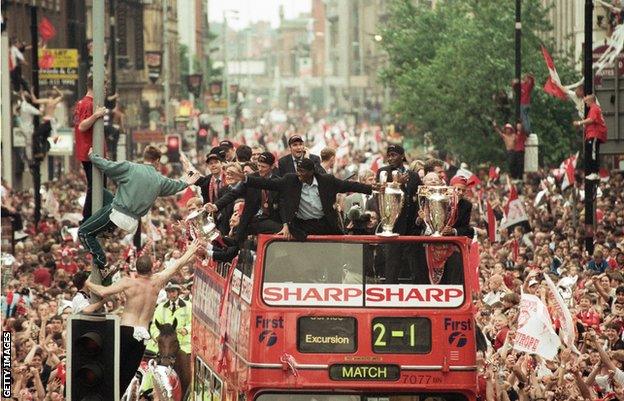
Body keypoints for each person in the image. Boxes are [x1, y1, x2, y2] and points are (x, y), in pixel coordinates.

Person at [85, 239, 201, 396]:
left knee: (114, 370)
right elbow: (177, 265)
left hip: (126, 330)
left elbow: (102, 292)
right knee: (127, 375)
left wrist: (86, 283)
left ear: (136, 269)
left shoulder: (128, 283)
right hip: (143, 334)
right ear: (152, 268)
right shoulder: (157, 281)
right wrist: (192, 249)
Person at [78, 146, 200, 280]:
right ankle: (106, 230)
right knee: (98, 191)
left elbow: (107, 167)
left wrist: (93, 157)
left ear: (145, 157)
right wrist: (187, 182)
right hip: (132, 220)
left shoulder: (131, 168)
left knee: (83, 232)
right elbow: (175, 185)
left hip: (117, 213)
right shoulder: (160, 180)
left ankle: (103, 265)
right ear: (157, 161)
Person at [231, 158, 377, 241]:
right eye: (298, 170)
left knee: (334, 248)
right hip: (301, 225)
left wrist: (372, 189)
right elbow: (267, 183)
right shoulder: (290, 180)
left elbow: (348, 185)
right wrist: (245, 178)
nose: (299, 174)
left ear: (311, 172)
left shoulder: (327, 181)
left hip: (324, 223)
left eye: (302, 171)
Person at [205, 152, 282, 243]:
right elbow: (234, 193)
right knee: (236, 241)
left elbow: (284, 206)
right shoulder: (250, 178)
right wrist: (215, 206)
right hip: (251, 220)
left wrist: (286, 225)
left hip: (272, 221)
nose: (260, 169)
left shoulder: (278, 181)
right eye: (258, 166)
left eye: (263, 167)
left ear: (272, 167)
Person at [74, 75, 108, 221]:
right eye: (105, 86)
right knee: (96, 186)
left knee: (100, 186)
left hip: (92, 151)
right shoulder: (87, 104)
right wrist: (96, 115)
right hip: (90, 152)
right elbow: (82, 126)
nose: (106, 90)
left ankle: (93, 218)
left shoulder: (86, 103)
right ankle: (88, 219)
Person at [146, 281, 192, 354]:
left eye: (173, 291)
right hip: (163, 344)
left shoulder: (189, 306)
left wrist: (186, 330)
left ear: (178, 292)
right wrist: (158, 337)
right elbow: (154, 325)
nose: (170, 294)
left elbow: (193, 324)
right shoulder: (160, 307)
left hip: (183, 345)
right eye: (168, 292)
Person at [574, 94, 608, 180]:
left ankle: (594, 172)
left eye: (587, 101)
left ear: (591, 101)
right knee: (590, 152)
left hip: (595, 134)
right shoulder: (594, 109)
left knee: (593, 152)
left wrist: (579, 123)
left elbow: (591, 120)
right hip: (591, 134)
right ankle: (592, 172)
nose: (586, 103)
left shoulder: (594, 108)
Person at [30, 87, 64, 161]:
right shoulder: (55, 101)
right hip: (51, 123)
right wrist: (56, 89)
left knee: (35, 135)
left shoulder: (47, 101)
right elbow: (62, 95)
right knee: (44, 139)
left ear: (47, 95)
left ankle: (38, 151)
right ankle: (43, 153)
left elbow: (34, 100)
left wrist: (32, 92)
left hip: (47, 122)